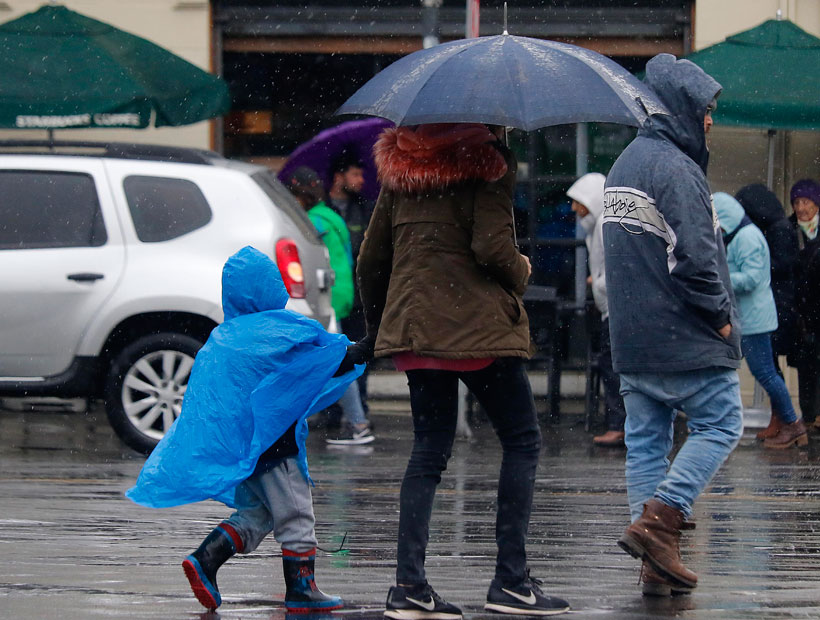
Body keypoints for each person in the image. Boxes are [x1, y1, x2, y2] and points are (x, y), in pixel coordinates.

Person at [356, 122, 570, 618]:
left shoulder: (401, 166)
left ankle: (409, 585)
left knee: (428, 451)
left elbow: (371, 259)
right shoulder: (488, 161)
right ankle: (511, 581)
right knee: (522, 440)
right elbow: (491, 249)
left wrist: (378, 328)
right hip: (475, 329)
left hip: (416, 328)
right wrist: (522, 269)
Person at [126, 246, 360, 612]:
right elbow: (321, 359)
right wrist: (363, 350)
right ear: (270, 286)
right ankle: (302, 589)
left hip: (243, 450)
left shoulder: (224, 338)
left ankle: (206, 559)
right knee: (296, 513)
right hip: (275, 447)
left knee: (258, 515)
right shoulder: (279, 331)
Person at [602, 53, 743, 597]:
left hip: (633, 338)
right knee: (721, 424)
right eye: (706, 109)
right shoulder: (677, 170)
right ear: (682, 108)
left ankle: (654, 564)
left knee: (645, 443)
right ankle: (661, 521)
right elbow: (695, 262)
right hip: (684, 337)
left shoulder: (624, 166)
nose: (710, 120)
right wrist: (723, 322)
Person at [285, 166, 374, 445]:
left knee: (333, 359)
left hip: (326, 295)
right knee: (335, 357)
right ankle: (353, 420)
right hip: (345, 291)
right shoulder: (332, 217)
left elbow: (311, 264)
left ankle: (358, 424)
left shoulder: (311, 222)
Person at [713, 192, 807, 448]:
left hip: (754, 319)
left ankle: (792, 423)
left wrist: (721, 277)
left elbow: (752, 278)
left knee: (764, 372)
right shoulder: (746, 235)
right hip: (751, 317)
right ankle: (788, 424)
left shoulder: (746, 238)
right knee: (761, 371)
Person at [734, 183, 801, 439]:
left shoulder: (778, 231)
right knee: (769, 366)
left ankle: (786, 420)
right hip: (775, 305)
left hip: (776, 307)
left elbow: (781, 266)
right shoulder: (774, 228)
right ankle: (781, 419)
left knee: (767, 367)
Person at [568, 172, 627, 447]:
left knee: (612, 367)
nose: (574, 209)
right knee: (613, 366)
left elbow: (616, 267)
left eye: (578, 202)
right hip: (611, 309)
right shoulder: (599, 226)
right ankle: (620, 424)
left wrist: (600, 285)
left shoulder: (603, 224)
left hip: (614, 311)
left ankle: (618, 425)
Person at [328, 152, 376, 414]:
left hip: (359, 298)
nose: (360, 180)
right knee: (332, 353)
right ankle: (333, 410)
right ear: (339, 177)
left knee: (359, 353)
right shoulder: (323, 211)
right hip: (332, 296)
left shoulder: (366, 209)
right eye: (355, 174)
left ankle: (360, 409)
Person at [789, 179, 820, 428]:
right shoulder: (789, 230)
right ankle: (809, 415)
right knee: (805, 367)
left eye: (806, 202)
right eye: (797, 202)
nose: (801, 207)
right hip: (801, 311)